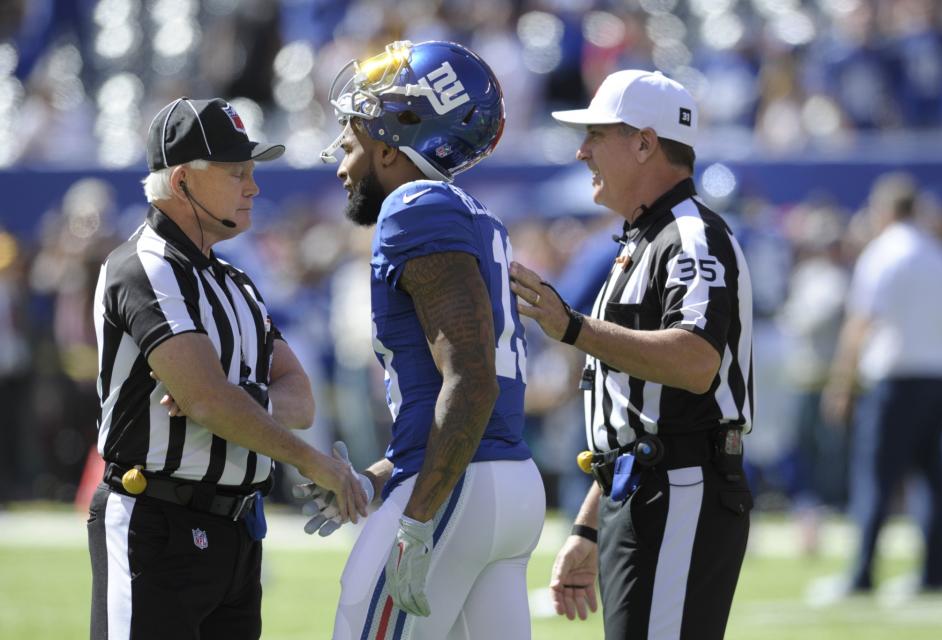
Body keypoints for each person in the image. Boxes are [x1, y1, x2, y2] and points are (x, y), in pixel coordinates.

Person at [87, 97, 368, 640]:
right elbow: (208, 401)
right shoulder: (142, 266)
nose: (253, 187)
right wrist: (312, 462)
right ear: (185, 180)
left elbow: (299, 399)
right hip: (156, 523)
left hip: (236, 530)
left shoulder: (235, 282)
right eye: (237, 172)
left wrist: (235, 401)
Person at [305, 40, 545, 639]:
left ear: (391, 145)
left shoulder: (414, 206)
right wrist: (385, 472)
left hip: (459, 488)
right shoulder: (471, 214)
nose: (341, 163)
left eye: (353, 141)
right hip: (505, 480)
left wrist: (418, 516)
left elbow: (471, 377)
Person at [509, 70, 755, 639]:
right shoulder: (642, 239)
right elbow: (640, 420)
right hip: (644, 485)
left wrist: (572, 327)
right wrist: (590, 527)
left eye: (597, 134)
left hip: (683, 485)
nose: (582, 150)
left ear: (645, 142)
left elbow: (695, 363)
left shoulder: (691, 236)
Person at [821, 173, 942, 595]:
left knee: (875, 479)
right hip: (938, 378)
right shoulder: (941, 257)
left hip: (894, 380)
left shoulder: (882, 255)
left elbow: (860, 324)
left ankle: (862, 573)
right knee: (934, 482)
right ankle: (937, 573)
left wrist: (841, 382)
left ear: (883, 211)